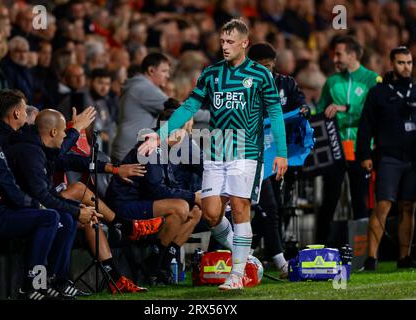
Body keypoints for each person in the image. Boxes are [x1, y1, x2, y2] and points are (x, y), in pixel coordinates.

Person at [139, 19, 287, 290]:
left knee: (241, 208)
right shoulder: (211, 74)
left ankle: (237, 273)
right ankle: (241, 252)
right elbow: (189, 106)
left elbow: (275, 113)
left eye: (230, 42)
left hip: (246, 150)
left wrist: (282, 153)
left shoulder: (260, 75)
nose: (225, 46)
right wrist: (160, 134)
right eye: (222, 41)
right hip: (217, 150)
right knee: (210, 213)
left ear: (245, 44)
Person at [4, 109, 160, 294]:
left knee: (80, 216)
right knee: (69, 208)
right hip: (23, 208)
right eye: (64, 131)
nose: (66, 135)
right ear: (52, 131)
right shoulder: (29, 151)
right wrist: (76, 128)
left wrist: (113, 169)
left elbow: (72, 160)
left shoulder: (43, 149)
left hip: (39, 204)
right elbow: (41, 196)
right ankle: (38, 284)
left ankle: (64, 281)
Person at [0, 91, 61, 300]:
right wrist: (36, 205)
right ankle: (33, 285)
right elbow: (11, 191)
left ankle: (42, 284)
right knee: (49, 217)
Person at [106, 109, 202, 285]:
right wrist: (192, 196)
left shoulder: (166, 150)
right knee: (180, 207)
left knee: (195, 212)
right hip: (125, 204)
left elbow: (169, 185)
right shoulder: (151, 149)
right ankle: (153, 265)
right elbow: (156, 191)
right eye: (183, 132)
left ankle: (162, 264)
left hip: (143, 201)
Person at [247, 42, 309, 278]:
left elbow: (301, 103)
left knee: (269, 209)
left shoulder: (286, 83)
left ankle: (244, 254)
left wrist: (304, 109)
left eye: (269, 65)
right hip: (252, 154)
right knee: (263, 208)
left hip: (277, 156)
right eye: (261, 66)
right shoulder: (244, 86)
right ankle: (279, 261)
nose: (266, 70)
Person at [316, 35, 381, 245]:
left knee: (360, 200)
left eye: (339, 54)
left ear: (352, 55)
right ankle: (319, 246)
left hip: (361, 148)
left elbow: (376, 111)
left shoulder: (372, 80)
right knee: (329, 199)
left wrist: (345, 109)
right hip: (336, 148)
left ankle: (362, 251)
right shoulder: (332, 81)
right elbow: (320, 111)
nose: (335, 59)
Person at [357, 46, 416, 270]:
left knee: (409, 206)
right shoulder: (378, 92)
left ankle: (405, 257)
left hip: (412, 158)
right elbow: (366, 125)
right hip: (388, 156)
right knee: (383, 205)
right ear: (392, 63)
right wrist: (364, 154)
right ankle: (371, 258)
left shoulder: (415, 90)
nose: (406, 67)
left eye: (409, 63)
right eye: (401, 63)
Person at [111, 52, 170, 162]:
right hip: (130, 151)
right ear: (151, 70)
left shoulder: (137, 85)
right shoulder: (143, 88)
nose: (167, 75)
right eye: (164, 71)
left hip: (129, 148)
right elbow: (179, 109)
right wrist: (210, 113)